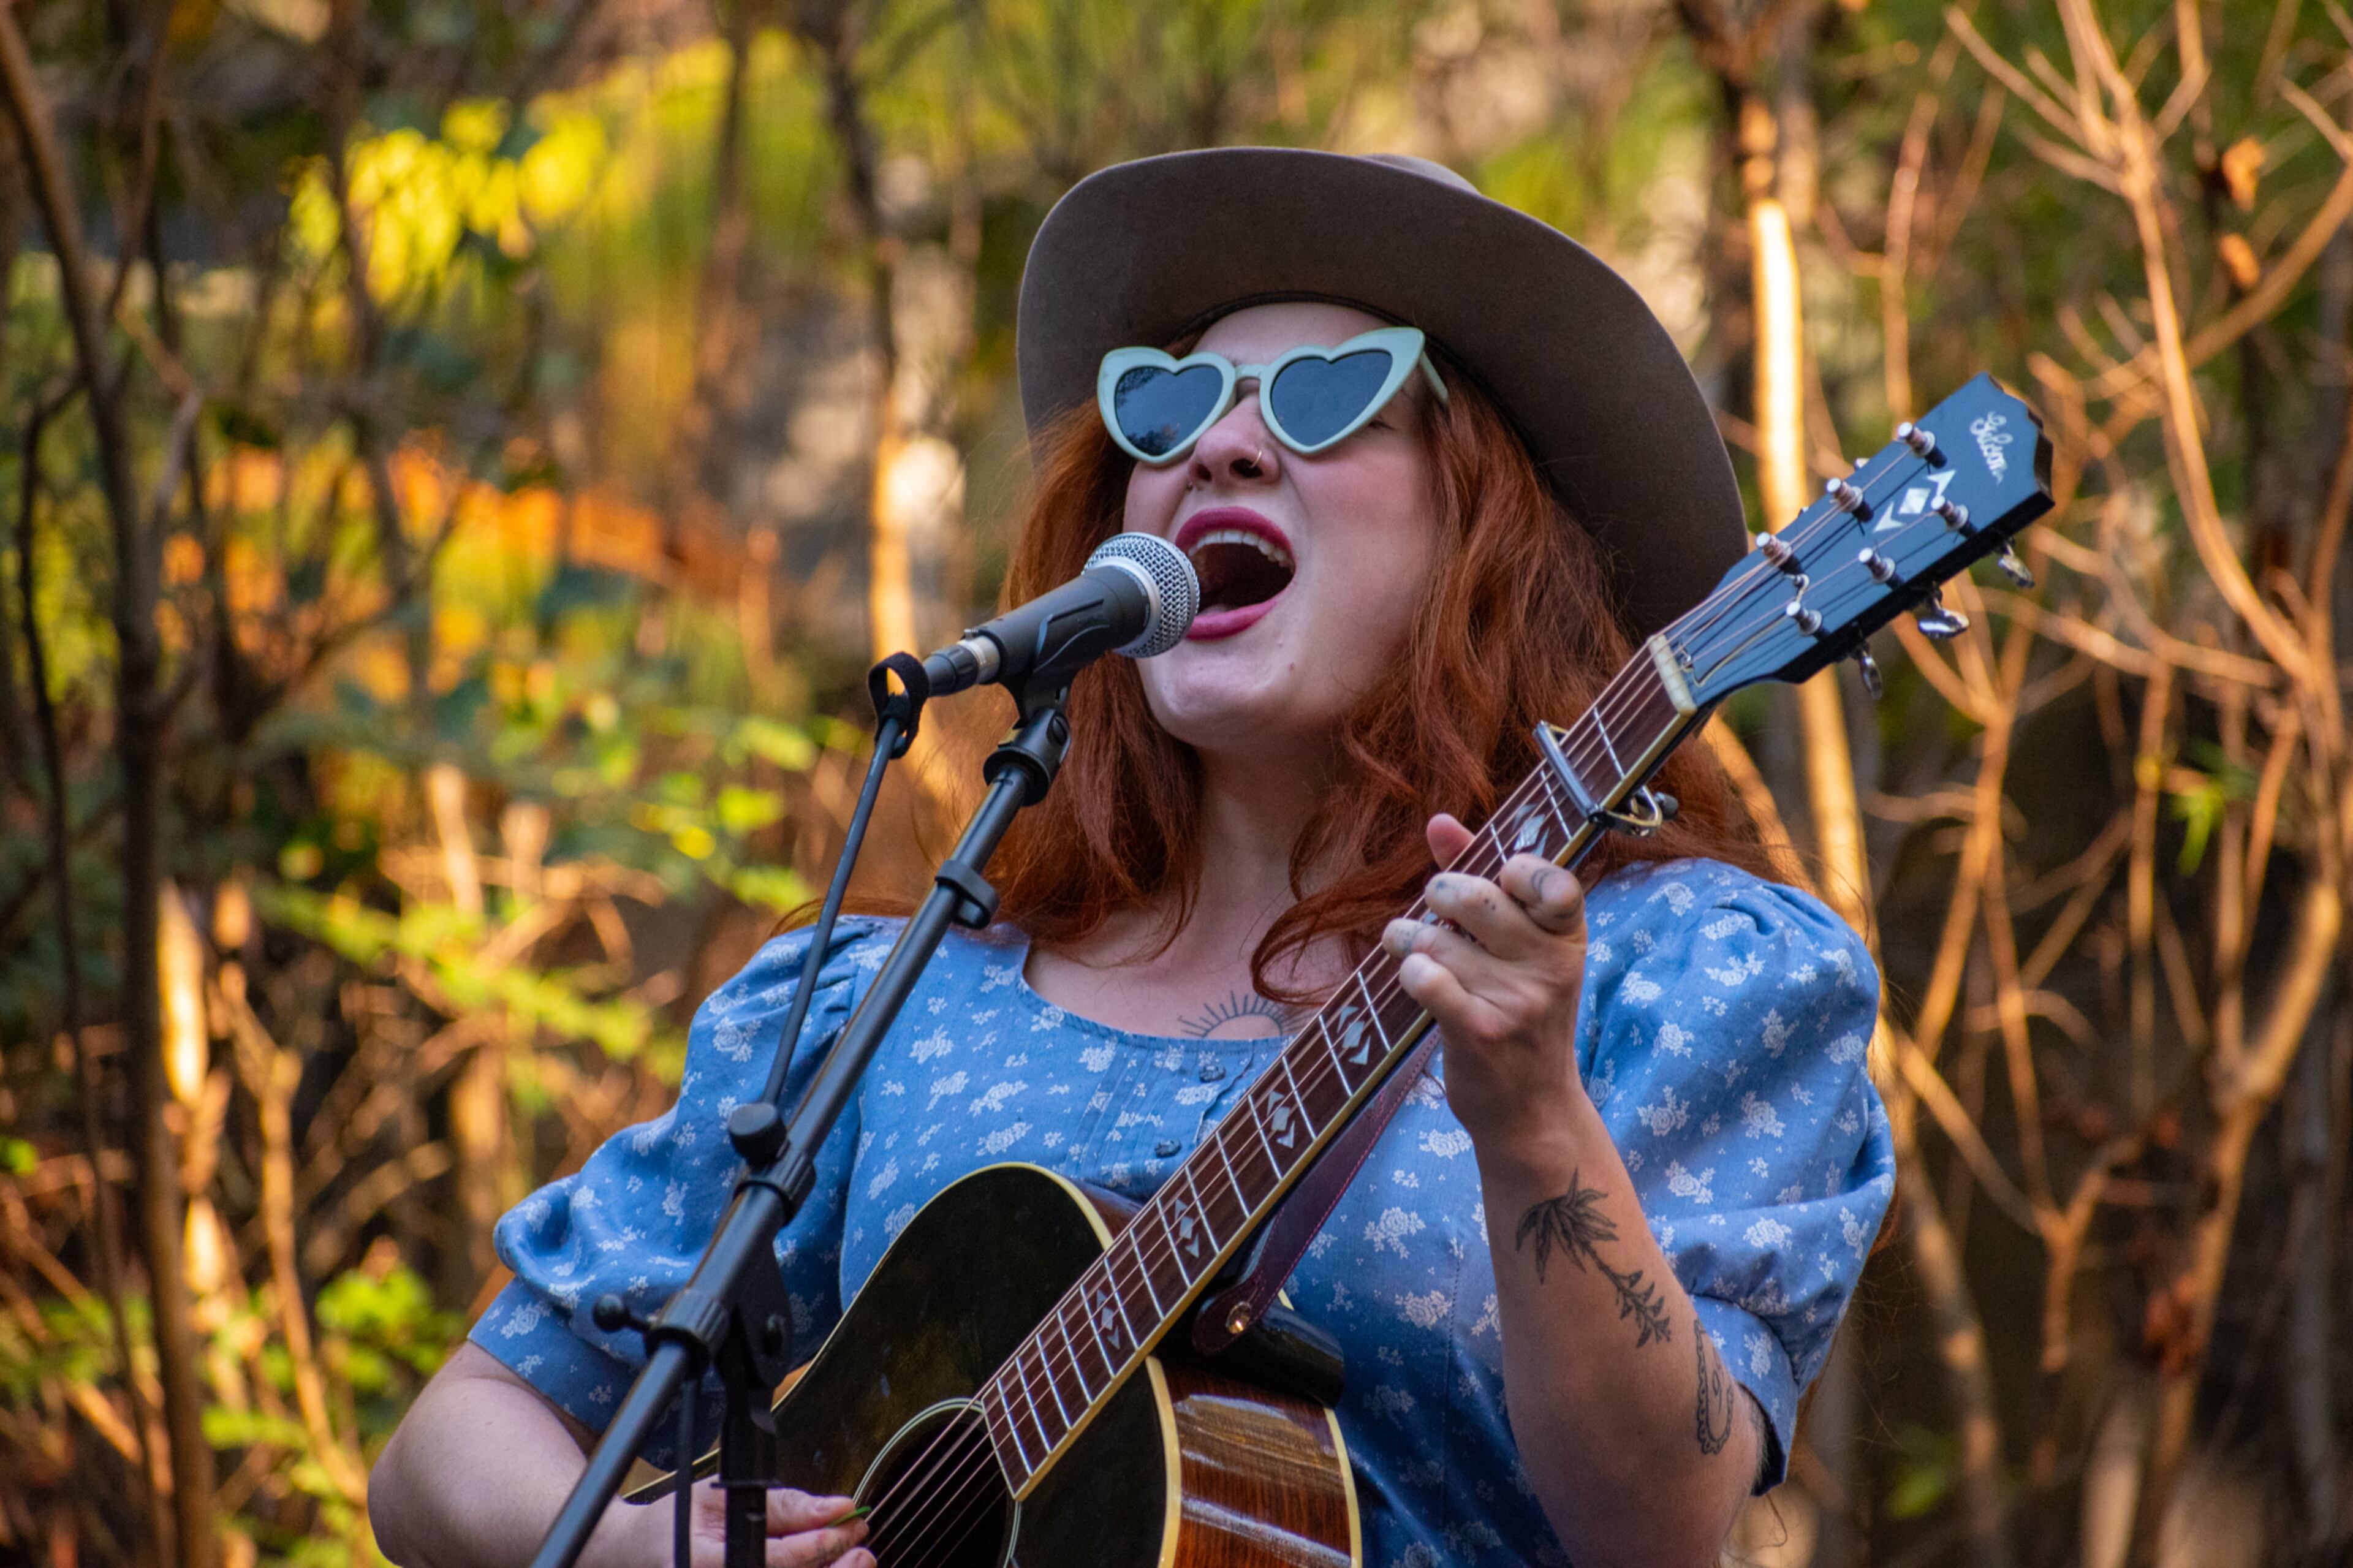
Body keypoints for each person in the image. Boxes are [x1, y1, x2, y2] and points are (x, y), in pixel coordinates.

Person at [370, 148, 1895, 1568]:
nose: (1222, 442)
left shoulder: (1668, 968)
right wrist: (639, 1547)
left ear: (1493, 521)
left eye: (1323, 397)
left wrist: (1532, 1109)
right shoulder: (889, 1008)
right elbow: (449, 1446)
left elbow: (1669, 1525)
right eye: (1163, 410)